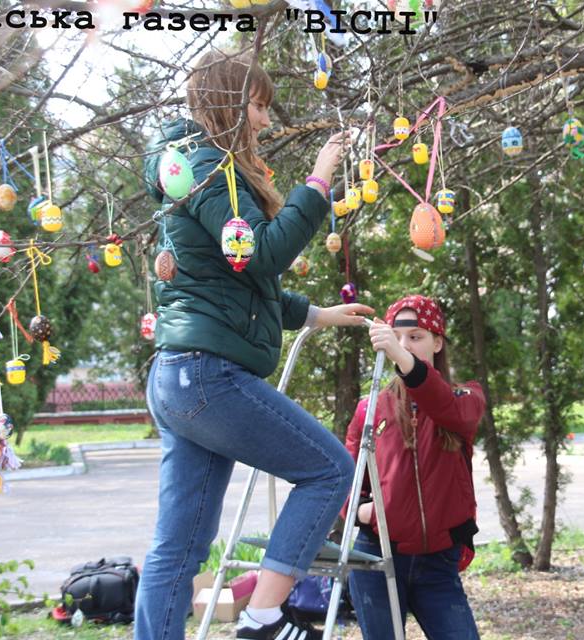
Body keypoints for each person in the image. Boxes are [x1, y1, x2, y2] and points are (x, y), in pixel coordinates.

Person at [135, 50, 373, 640]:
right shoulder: (208, 168)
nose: (266, 120)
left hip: (178, 374)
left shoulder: (193, 171)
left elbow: (236, 283)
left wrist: (317, 314)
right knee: (329, 469)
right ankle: (263, 618)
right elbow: (264, 254)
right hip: (205, 376)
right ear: (229, 102)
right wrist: (317, 182)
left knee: (180, 547)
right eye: (260, 105)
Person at [344, 295, 484, 640]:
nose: (402, 345)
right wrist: (366, 512)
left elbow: (445, 406)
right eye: (397, 337)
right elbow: (346, 481)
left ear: (438, 342)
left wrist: (404, 359)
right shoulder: (370, 407)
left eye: (415, 336)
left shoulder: (465, 396)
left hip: (438, 563)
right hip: (376, 555)